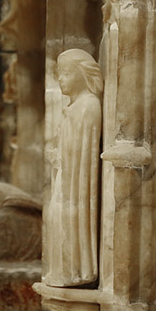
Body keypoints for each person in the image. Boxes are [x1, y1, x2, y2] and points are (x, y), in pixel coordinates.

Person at [45, 49, 103, 287]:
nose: (61, 78)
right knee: (55, 217)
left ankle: (75, 269)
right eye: (59, 73)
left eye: (67, 73)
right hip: (65, 178)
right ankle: (65, 269)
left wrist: (61, 158)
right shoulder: (76, 106)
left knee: (63, 216)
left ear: (82, 74)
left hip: (74, 184)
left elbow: (83, 156)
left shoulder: (88, 106)